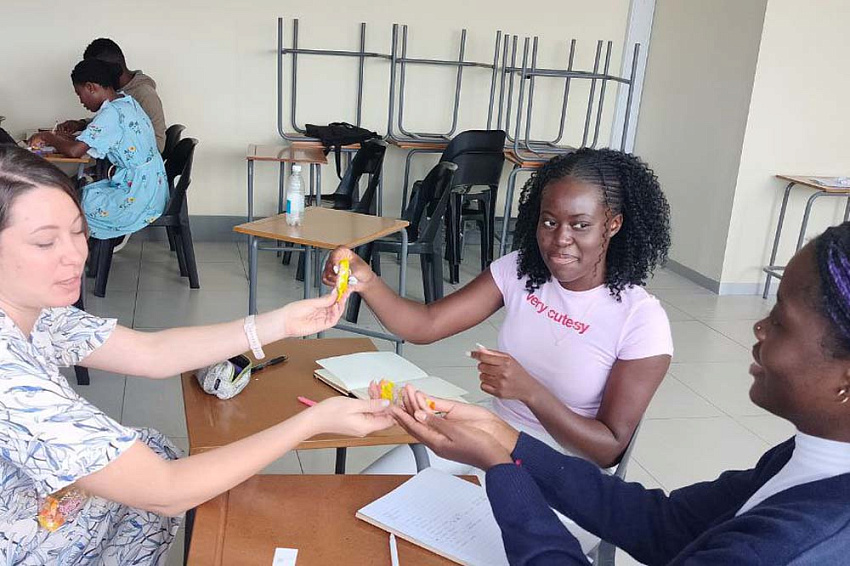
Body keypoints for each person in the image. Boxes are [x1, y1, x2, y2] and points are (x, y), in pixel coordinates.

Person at [0, 145, 394, 565]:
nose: (75, 255)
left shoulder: (37, 312)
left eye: (79, 231)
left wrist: (281, 323)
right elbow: (165, 490)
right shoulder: (10, 379)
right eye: (45, 242)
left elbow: (151, 353)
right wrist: (313, 422)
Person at [392, 221, 850, 565]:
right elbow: (664, 524)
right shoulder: (808, 458)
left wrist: (500, 468)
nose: (759, 326)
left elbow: (611, 451)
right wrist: (504, 440)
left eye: (781, 321)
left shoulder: (791, 546)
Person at [323, 148, 674, 474]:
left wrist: (530, 391)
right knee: (368, 492)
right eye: (549, 222)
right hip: (492, 428)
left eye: (580, 225)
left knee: (449, 517)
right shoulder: (521, 270)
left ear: (612, 225)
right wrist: (366, 280)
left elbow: (608, 450)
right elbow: (425, 325)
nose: (560, 239)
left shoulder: (641, 319)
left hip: (565, 467)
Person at [29, 59, 168, 240]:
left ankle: (71, 252)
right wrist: (64, 139)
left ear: (91, 87)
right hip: (151, 189)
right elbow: (93, 140)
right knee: (74, 190)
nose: (81, 101)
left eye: (79, 94)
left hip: (137, 198)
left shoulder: (111, 114)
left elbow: (75, 151)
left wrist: (48, 137)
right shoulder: (127, 102)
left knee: (71, 203)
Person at [57, 38, 166, 153]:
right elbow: (112, 123)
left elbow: (158, 145)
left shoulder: (144, 94)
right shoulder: (120, 97)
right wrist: (81, 124)